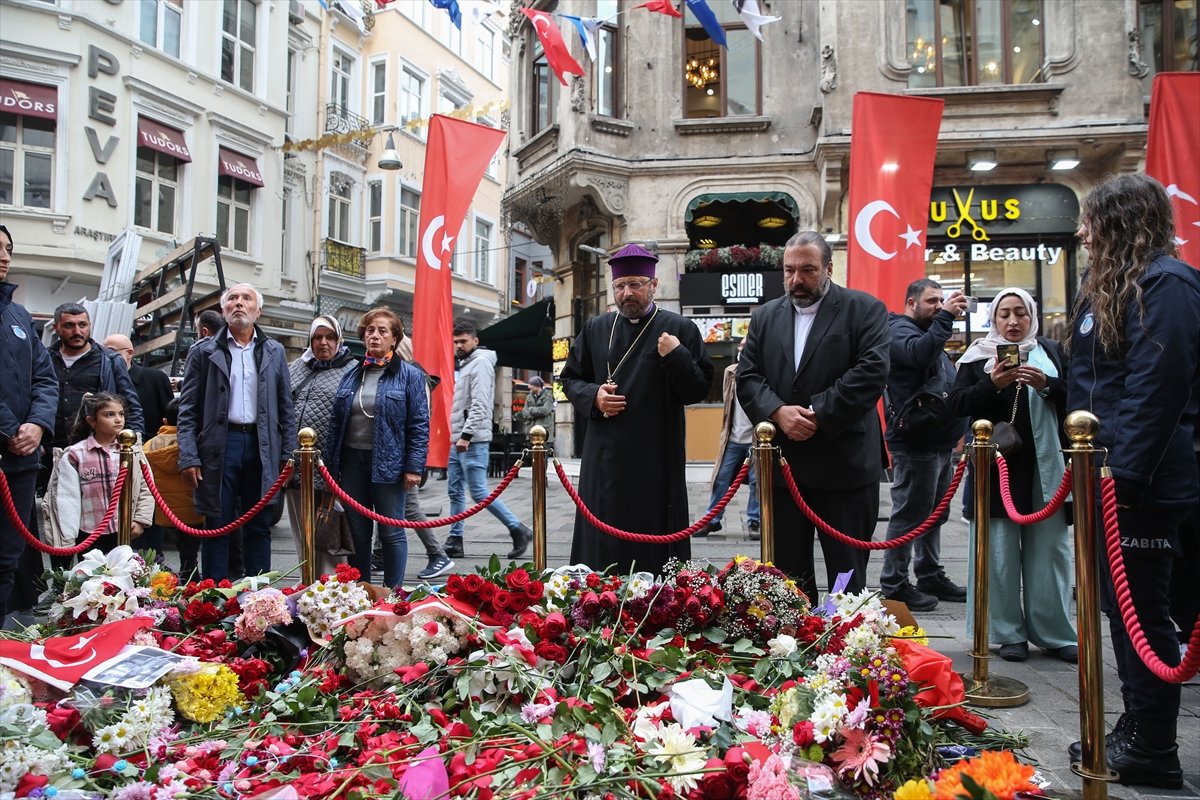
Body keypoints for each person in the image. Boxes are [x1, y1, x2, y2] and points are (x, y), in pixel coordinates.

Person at [1065, 174, 1200, 788]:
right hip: (1106, 477)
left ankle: (1153, 742)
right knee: (1121, 614)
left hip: (1139, 483)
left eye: (1091, 222)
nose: (1082, 234)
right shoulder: (1110, 288)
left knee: (1143, 616)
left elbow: (1157, 389)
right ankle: (1138, 722)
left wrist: (1124, 476)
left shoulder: (1166, 284)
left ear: (1120, 223)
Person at [737, 231, 889, 603]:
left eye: (807, 270)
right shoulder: (765, 316)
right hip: (785, 471)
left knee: (847, 576)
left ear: (829, 269)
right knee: (787, 578)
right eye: (789, 270)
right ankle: (794, 650)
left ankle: (845, 649)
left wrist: (818, 413)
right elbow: (748, 375)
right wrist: (778, 412)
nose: (795, 280)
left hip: (845, 467)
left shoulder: (865, 309)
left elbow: (870, 372)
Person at [560, 243, 713, 575]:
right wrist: (594, 396)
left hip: (655, 461)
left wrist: (676, 356)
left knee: (652, 543)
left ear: (653, 285)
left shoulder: (679, 329)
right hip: (603, 460)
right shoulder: (596, 328)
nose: (627, 293)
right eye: (620, 286)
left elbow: (697, 390)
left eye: (636, 284)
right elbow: (570, 379)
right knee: (602, 544)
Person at [947, 288, 1076, 664]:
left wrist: (1047, 385)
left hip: (1046, 468)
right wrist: (994, 384)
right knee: (999, 553)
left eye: (1020, 313)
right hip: (997, 469)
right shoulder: (977, 356)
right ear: (994, 319)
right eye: (1004, 314)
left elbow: (1077, 397)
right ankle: (1007, 633)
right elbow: (957, 404)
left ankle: (1054, 632)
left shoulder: (1051, 352)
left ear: (1032, 316)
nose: (1013, 321)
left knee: (1050, 551)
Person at [176, 283, 296, 581]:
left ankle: (260, 599)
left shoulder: (274, 350)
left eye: (246, 299)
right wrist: (189, 455)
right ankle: (213, 595)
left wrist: (288, 455)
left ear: (258, 310)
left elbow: (286, 407)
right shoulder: (203, 351)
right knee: (217, 523)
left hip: (262, 444)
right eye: (232, 299)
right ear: (223, 309)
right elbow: (188, 408)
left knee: (259, 524)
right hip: (219, 444)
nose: (239, 303)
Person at [879, 279, 970, 612]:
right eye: (932, 301)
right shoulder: (899, 331)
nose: (939, 305)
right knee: (910, 515)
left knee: (935, 515)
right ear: (911, 303)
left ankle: (929, 574)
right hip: (916, 445)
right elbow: (918, 356)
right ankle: (894, 584)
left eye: (942, 300)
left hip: (940, 442)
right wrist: (945, 318)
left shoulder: (929, 333)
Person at [326, 309, 430, 588]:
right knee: (358, 532)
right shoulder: (352, 373)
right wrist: (330, 466)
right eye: (370, 330)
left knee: (391, 530)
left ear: (395, 339)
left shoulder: (410, 376)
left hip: (390, 463)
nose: (375, 335)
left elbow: (419, 424)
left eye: (383, 331)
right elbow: (337, 422)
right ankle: (365, 592)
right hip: (351, 461)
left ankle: (394, 594)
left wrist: (413, 467)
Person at [0, 224, 58, 624]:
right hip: (9, 443)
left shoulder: (19, 314)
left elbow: (44, 377)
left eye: (8, 248)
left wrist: (36, 424)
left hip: (20, 462)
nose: (4, 256)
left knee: (7, 557)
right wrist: (10, 429)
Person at [442, 321, 533, 561]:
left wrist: (466, 435)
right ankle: (455, 540)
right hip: (459, 439)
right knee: (455, 491)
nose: (459, 346)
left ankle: (518, 529)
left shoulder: (480, 363)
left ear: (475, 341)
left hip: (471, 440)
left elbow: (481, 404)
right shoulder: (467, 364)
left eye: (463, 341)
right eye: (456, 342)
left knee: (479, 492)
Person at [286, 316, 358, 579]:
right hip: (294, 468)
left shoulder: (352, 370)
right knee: (300, 533)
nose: (323, 343)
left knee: (329, 532)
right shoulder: (296, 368)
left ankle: (331, 590)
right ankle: (305, 586)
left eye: (330, 337)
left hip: (329, 467)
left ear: (339, 340)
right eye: (317, 337)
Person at [44, 392, 153, 556]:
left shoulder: (133, 451)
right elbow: (67, 498)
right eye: (109, 415)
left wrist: (140, 520)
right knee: (91, 577)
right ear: (92, 421)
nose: (118, 419)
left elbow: (146, 486)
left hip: (124, 528)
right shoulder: (76, 454)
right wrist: (66, 538)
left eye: (121, 414)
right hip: (89, 532)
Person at [103, 333, 174, 555]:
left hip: (149, 456)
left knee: (149, 508)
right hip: (109, 457)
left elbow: (170, 414)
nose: (108, 358)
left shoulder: (154, 378)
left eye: (113, 352)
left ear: (129, 353)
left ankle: (152, 558)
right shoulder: (105, 379)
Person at [45, 303, 144, 461]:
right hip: (48, 449)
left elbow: (130, 405)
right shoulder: (43, 359)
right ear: (56, 328)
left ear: (89, 325)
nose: (77, 331)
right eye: (69, 325)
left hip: (97, 452)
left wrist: (133, 446)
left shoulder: (110, 360)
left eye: (82, 325)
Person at [697, 339, 759, 539]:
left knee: (756, 481)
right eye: (740, 347)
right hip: (732, 438)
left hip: (755, 440)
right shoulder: (731, 372)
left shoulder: (763, 373)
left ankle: (754, 521)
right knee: (721, 479)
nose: (741, 349)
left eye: (745, 347)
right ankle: (713, 520)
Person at [143, 399, 204, 577]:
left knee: (174, 545)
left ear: (164, 421)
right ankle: (190, 578)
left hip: (164, 510)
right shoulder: (193, 446)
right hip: (191, 509)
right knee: (189, 553)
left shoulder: (150, 445)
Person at [515, 376, 555, 448]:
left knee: (542, 458)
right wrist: (534, 413)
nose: (529, 386)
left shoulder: (548, 396)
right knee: (530, 457)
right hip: (531, 434)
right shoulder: (529, 397)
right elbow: (524, 412)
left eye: (531, 385)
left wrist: (531, 410)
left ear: (537, 386)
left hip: (543, 434)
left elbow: (545, 410)